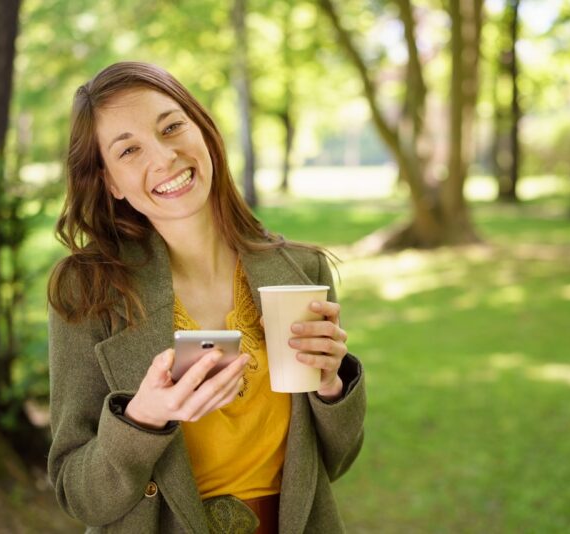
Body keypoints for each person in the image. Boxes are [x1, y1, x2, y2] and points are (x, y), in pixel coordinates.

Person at [46, 61, 366, 534]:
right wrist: (144, 418)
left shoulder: (302, 272)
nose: (165, 157)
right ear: (110, 180)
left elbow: (331, 465)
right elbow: (79, 495)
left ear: (203, 129)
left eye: (172, 126)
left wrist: (331, 386)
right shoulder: (87, 291)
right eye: (129, 149)